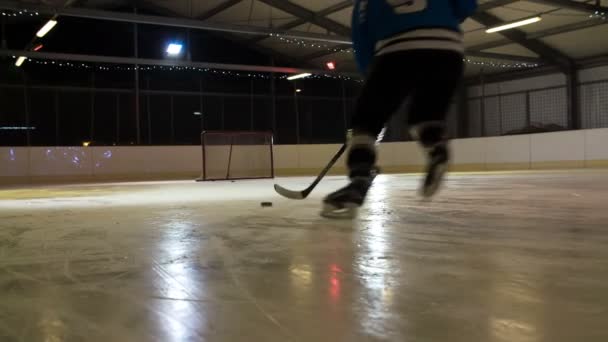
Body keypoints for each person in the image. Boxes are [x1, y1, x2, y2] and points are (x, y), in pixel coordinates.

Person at [322, 0, 478, 218]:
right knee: (425, 116)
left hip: (396, 52)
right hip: (449, 52)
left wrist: (374, 83)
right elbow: (467, 5)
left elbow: (362, 40)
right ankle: (436, 149)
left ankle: (359, 180)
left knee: (364, 125)